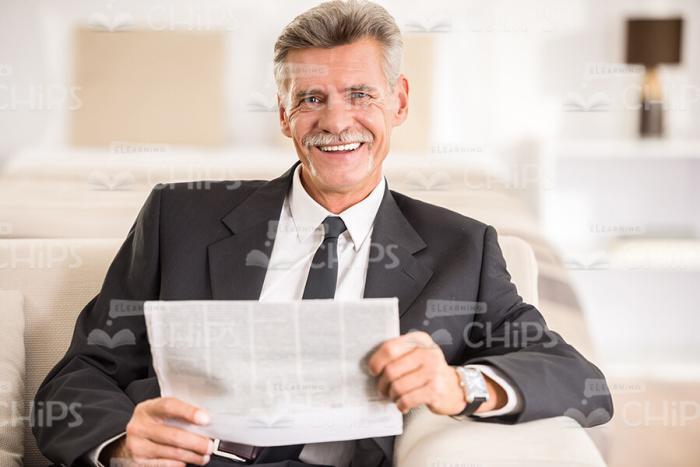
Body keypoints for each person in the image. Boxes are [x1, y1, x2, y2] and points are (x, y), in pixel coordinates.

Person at [34, 1, 613, 466]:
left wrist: (459, 385)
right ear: (284, 113)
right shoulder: (177, 217)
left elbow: (580, 381)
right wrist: (119, 443)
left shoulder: (464, 248)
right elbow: (79, 377)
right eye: (311, 98)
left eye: (360, 95)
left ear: (399, 101)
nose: (336, 122)